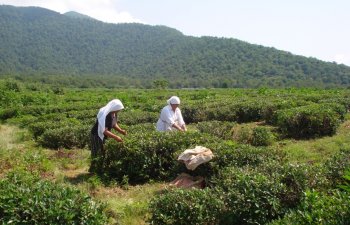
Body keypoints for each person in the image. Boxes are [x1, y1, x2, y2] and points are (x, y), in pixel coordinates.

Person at [90, 99, 127, 173]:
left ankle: (101, 169)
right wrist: (116, 137)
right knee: (97, 152)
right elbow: (104, 131)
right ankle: (93, 170)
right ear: (114, 108)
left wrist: (121, 131)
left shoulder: (114, 113)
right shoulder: (106, 115)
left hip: (104, 135)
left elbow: (114, 124)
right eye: (118, 109)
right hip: (97, 135)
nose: (119, 111)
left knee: (103, 151)